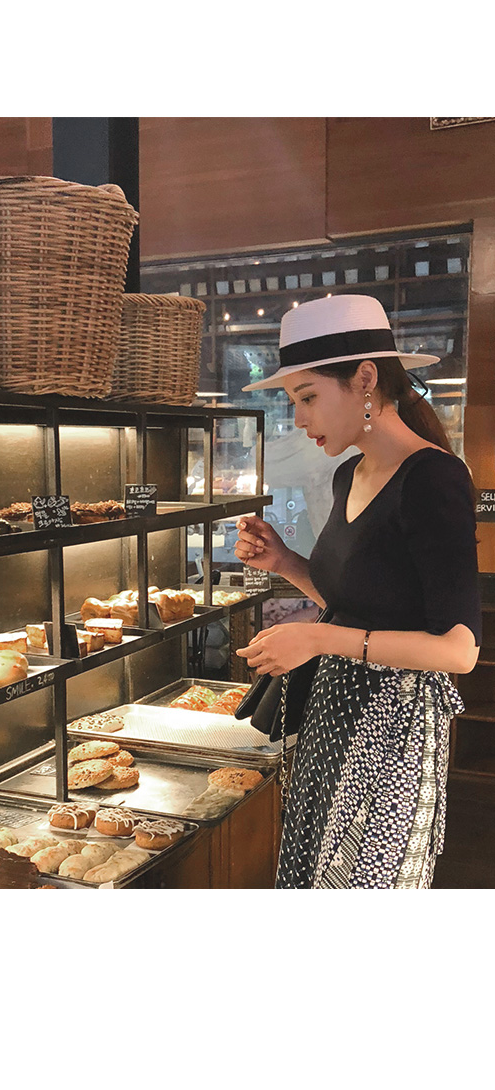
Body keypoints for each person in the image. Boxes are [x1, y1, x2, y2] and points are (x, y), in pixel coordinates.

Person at [233, 294, 479, 889]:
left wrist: (318, 639)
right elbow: (355, 602)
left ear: (365, 379)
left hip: (394, 731)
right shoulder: (350, 472)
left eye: (308, 397)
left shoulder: (434, 477)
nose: (299, 419)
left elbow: (458, 650)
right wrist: (284, 561)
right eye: (293, 401)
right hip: (335, 711)